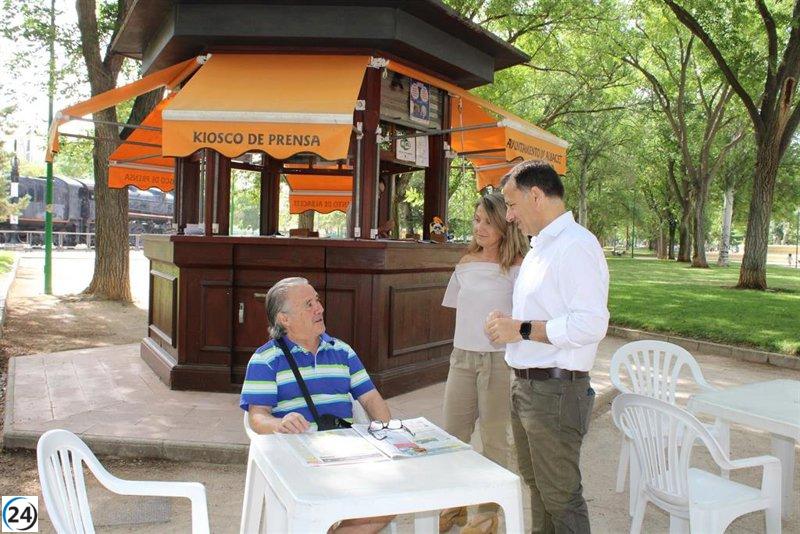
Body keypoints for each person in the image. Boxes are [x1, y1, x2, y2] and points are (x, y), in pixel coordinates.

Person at [486, 161, 609, 534]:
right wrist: (511, 325)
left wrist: (519, 329)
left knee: (560, 497)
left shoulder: (576, 246)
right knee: (539, 489)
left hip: (555, 391)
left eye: (511, 205)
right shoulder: (542, 248)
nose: (508, 216)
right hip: (530, 387)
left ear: (535, 196)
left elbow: (590, 324)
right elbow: (549, 315)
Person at [240, 277, 393, 534]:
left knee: (394, 497)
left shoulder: (342, 352)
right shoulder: (266, 359)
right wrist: (280, 423)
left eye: (318, 301)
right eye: (308, 304)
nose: (319, 308)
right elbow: (257, 418)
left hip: (348, 456)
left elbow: (371, 399)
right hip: (298, 460)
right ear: (284, 319)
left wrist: (386, 433)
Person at [439, 193, 529, 534]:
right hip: (462, 358)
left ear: (505, 224)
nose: (480, 228)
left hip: (499, 362)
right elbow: (461, 312)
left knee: (494, 440)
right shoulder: (465, 264)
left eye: (488, 222)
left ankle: (488, 516)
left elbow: (527, 316)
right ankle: (455, 506)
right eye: (477, 220)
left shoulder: (519, 266)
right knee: (452, 435)